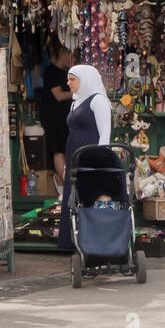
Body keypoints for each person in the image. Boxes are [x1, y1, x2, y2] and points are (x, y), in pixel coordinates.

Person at [56, 64, 112, 250]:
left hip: (91, 155)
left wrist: (101, 160)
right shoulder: (75, 102)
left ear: (85, 80)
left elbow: (105, 133)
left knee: (90, 195)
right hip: (74, 155)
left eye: (72, 79)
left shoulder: (98, 101)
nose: (68, 83)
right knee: (73, 197)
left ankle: (94, 241)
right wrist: (66, 166)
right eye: (68, 79)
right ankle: (73, 241)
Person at [41, 45, 75, 189]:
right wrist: (77, 93)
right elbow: (59, 95)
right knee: (59, 149)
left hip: (66, 117)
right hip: (54, 117)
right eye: (70, 54)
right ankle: (65, 183)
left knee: (66, 149)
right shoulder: (51, 72)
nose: (72, 58)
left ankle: (62, 180)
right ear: (62, 52)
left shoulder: (66, 72)